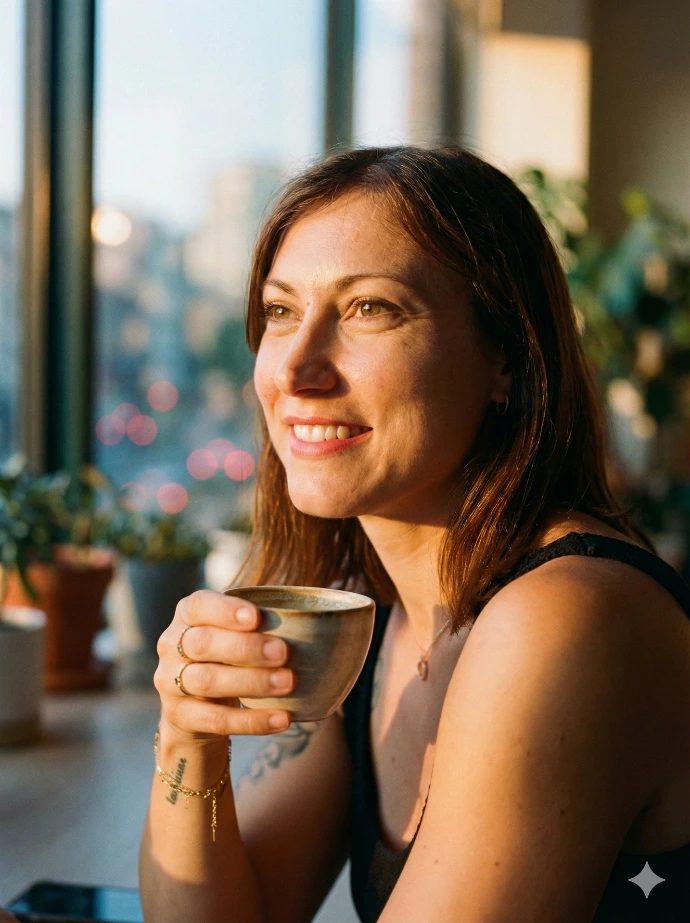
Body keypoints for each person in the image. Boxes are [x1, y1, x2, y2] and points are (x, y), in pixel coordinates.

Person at [139, 147, 690, 922]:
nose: (295, 369)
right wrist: (187, 734)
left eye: (371, 308)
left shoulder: (565, 618)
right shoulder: (373, 623)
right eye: (280, 311)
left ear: (506, 357)